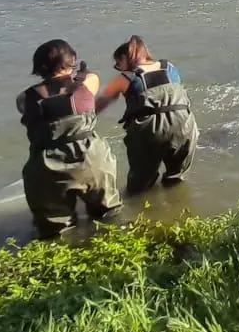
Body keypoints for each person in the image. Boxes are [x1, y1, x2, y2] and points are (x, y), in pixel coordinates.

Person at [18, 39, 121, 238]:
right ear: (71, 60)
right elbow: (92, 79)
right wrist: (78, 75)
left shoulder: (24, 98)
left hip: (47, 166)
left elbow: (31, 107)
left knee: (55, 231)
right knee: (109, 215)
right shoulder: (87, 84)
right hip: (91, 159)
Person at [96, 35, 199, 195]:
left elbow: (100, 102)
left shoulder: (125, 78)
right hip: (184, 125)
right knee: (176, 177)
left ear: (125, 58)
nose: (119, 68)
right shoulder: (169, 67)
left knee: (140, 185)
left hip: (150, 131)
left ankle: (141, 209)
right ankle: (178, 208)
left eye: (118, 64)